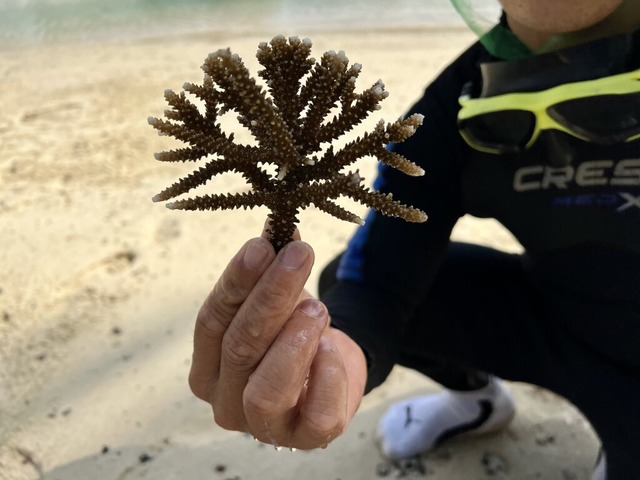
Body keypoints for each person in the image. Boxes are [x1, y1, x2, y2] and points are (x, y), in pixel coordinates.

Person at [187, 1, 640, 479]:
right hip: (558, 321)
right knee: (342, 282)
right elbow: (377, 282)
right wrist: (336, 363)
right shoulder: (454, 104)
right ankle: (477, 400)